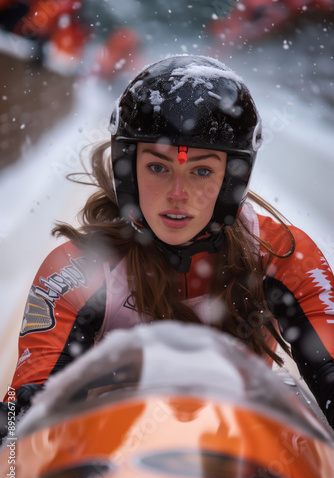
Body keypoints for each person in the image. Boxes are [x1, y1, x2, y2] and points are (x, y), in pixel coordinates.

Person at [2, 55, 334, 432]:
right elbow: (23, 419)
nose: (178, 194)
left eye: (202, 171)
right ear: (129, 171)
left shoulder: (283, 256)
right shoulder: (75, 272)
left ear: (231, 182)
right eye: (158, 167)